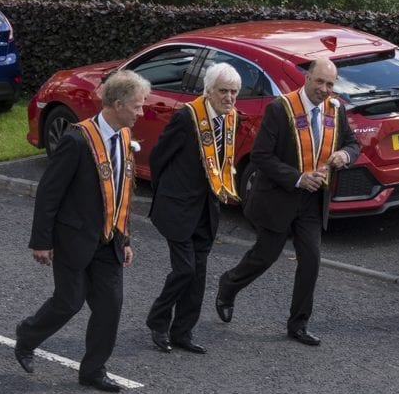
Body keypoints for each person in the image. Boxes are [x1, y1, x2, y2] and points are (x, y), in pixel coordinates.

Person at [14, 70, 150, 393]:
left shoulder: (125, 139)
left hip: (109, 241)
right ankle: (27, 336)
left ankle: (93, 370)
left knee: (110, 307)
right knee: (69, 302)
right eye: (137, 106)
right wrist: (42, 241)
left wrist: (125, 237)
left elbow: (122, 193)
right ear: (117, 104)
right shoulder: (76, 140)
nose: (141, 113)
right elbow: (50, 193)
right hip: (74, 239)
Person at [215, 57, 361, 346]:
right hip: (278, 198)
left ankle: (298, 324)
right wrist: (297, 178)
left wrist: (346, 155)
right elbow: (261, 156)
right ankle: (228, 285)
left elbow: (352, 143)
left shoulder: (335, 109)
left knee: (311, 261)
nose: (324, 89)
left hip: (312, 200)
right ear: (307, 78)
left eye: (330, 84)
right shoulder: (280, 109)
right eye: (319, 81)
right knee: (265, 256)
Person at [146, 63, 242, 354]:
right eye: (223, 91)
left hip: (206, 208)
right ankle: (157, 321)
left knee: (198, 273)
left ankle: (183, 332)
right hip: (177, 207)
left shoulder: (230, 117)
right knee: (184, 269)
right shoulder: (186, 118)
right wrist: (167, 194)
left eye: (234, 92)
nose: (229, 98)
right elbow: (158, 158)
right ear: (208, 91)